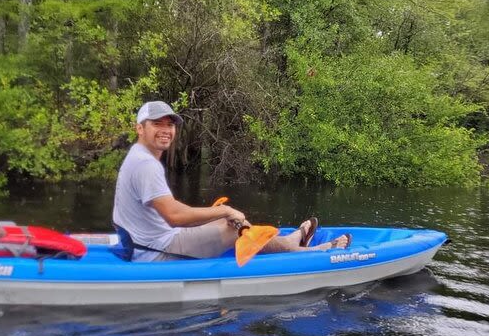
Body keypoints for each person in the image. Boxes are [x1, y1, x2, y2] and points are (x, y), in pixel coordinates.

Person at [112, 101, 350, 262]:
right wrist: (225, 211)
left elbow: (170, 215)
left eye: (170, 124)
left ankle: (291, 241)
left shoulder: (138, 156)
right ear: (139, 128)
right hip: (154, 253)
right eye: (157, 124)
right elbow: (174, 216)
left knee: (231, 222)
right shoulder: (145, 165)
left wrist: (219, 215)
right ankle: (309, 253)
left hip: (147, 243)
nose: (166, 130)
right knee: (235, 227)